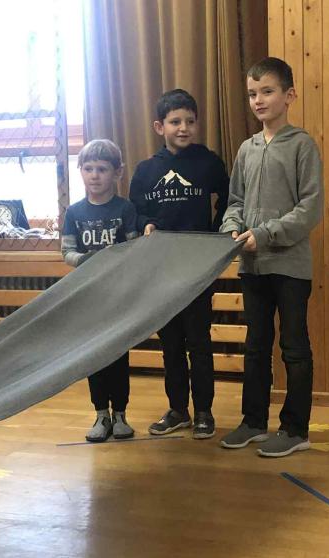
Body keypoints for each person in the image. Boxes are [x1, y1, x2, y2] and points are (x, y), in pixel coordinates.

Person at [219, 57, 323, 457]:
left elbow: (308, 209)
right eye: (252, 94)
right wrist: (233, 228)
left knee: (294, 347)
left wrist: (263, 235)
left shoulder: (302, 145)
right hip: (252, 267)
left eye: (267, 91)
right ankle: (254, 422)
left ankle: (296, 429)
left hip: (290, 268)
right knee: (256, 346)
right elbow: (235, 202)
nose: (258, 100)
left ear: (289, 95)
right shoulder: (246, 149)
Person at [130, 88, 229, 439]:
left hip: (197, 268)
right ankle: (177, 410)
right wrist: (145, 224)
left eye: (189, 121)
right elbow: (136, 212)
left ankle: (204, 411)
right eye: (175, 122)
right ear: (160, 127)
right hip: (160, 271)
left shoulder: (209, 163)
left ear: (197, 124)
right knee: (170, 343)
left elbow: (229, 198)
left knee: (199, 342)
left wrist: (216, 234)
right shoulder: (145, 171)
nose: (183, 128)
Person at [62, 139, 138, 443]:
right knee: (93, 355)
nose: (95, 175)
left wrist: (115, 262)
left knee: (118, 354)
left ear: (117, 173)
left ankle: (120, 414)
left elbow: (134, 248)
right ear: (80, 170)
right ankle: (101, 414)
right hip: (88, 295)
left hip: (118, 295)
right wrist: (85, 260)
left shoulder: (125, 208)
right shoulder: (74, 212)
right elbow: (67, 251)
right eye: (89, 168)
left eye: (102, 169)